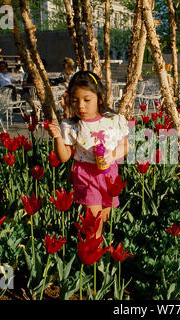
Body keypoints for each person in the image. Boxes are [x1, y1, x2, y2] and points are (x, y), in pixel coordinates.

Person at [47, 71, 129, 239]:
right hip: (86, 176)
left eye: (87, 100)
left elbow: (125, 145)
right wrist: (57, 138)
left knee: (105, 220)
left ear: (100, 98)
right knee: (93, 224)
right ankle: (92, 255)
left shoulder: (114, 120)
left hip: (108, 175)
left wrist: (112, 155)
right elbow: (64, 157)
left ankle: (98, 254)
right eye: (75, 101)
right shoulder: (71, 126)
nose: (81, 106)